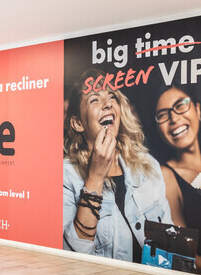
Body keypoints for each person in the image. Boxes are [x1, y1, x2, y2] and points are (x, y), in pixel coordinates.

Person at [63, 69, 170, 261]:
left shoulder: (148, 167)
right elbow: (72, 257)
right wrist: (95, 177)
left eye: (112, 96)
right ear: (78, 123)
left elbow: (168, 245)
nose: (107, 104)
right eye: (94, 99)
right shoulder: (65, 175)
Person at [153, 86, 201, 274]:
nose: (174, 118)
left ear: (198, 110)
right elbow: (181, 253)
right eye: (163, 114)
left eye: (181, 105)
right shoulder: (166, 175)